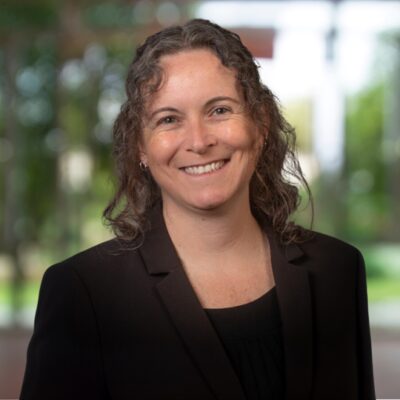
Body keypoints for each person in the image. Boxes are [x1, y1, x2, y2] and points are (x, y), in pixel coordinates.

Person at [20, 19, 375, 400]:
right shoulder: (82, 294)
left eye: (219, 110)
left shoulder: (337, 271)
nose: (199, 141)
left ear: (261, 124)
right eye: (169, 119)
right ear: (140, 146)